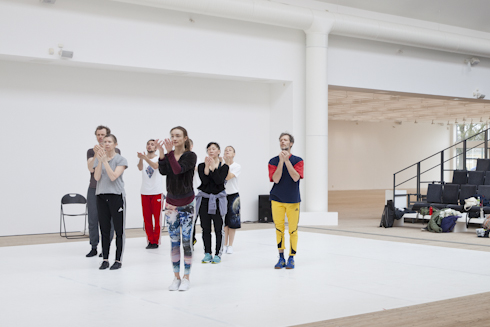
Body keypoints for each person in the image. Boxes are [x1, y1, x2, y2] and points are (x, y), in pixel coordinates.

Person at [156, 126, 197, 291]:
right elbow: (164, 171)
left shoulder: (190, 156)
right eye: (172, 135)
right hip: (171, 204)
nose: (174, 138)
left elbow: (178, 170)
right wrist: (161, 154)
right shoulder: (169, 155)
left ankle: (186, 277)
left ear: (185, 138)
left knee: (186, 242)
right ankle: (176, 277)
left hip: (187, 204)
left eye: (178, 136)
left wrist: (169, 154)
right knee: (174, 243)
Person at [268, 133, 303, 269]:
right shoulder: (273, 161)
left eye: (286, 140)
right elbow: (275, 179)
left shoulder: (298, 160)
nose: (283, 142)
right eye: (281, 140)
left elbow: (296, 177)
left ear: (291, 144)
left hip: (293, 200)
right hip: (277, 199)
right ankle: (281, 257)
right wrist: (281, 162)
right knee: (279, 229)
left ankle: (291, 257)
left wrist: (287, 161)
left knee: (293, 230)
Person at [93, 134, 128, 270]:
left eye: (109, 142)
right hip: (101, 196)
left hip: (116, 196)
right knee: (104, 229)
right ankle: (105, 259)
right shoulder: (99, 159)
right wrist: (100, 160)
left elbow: (113, 176)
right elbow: (96, 177)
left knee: (119, 230)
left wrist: (105, 161)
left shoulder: (121, 160)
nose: (106, 144)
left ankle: (118, 260)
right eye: (104, 142)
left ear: (115, 144)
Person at [86, 125, 118, 258]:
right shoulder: (90, 151)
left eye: (102, 135)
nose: (100, 137)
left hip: (109, 189)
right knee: (93, 218)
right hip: (94, 188)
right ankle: (93, 246)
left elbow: (113, 168)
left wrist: (104, 154)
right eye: (98, 135)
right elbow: (90, 169)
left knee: (108, 220)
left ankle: (106, 246)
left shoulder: (116, 151)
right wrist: (96, 155)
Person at [196, 142, 229, 264]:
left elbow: (219, 181)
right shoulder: (200, 166)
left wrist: (213, 168)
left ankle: (218, 254)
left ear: (219, 151)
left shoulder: (224, 167)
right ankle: (207, 253)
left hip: (218, 200)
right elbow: (204, 181)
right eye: (209, 149)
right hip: (204, 200)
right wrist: (206, 167)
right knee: (205, 228)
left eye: (214, 149)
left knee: (218, 228)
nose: (211, 151)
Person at [137, 139, 164, 249]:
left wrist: (145, 158)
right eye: (148, 144)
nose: (149, 146)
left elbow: (155, 166)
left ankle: (156, 241)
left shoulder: (158, 158)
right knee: (147, 218)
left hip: (156, 192)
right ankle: (150, 240)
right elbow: (139, 168)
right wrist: (140, 159)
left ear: (156, 148)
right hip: (145, 192)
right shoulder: (143, 159)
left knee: (157, 218)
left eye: (152, 144)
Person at [223, 146, 241, 254]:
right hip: (223, 195)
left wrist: (227, 165)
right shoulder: (221, 165)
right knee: (224, 222)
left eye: (230, 150)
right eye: (226, 150)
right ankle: (224, 244)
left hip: (233, 195)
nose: (227, 151)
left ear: (234, 154)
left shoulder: (237, 166)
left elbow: (228, 177)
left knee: (232, 221)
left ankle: (230, 245)